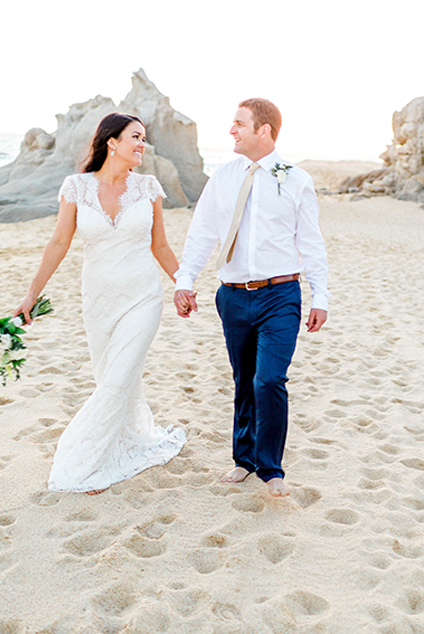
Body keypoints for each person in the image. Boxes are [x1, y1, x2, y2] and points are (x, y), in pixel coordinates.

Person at [14, 112, 187, 495]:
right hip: (98, 301)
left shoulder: (148, 187)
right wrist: (32, 294)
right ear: (112, 141)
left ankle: (84, 464)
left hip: (143, 297)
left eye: (144, 138)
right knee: (112, 377)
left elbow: (160, 245)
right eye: (136, 137)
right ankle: (119, 444)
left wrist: (184, 283)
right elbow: (59, 243)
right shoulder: (76, 187)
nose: (142, 144)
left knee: (116, 379)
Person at [173, 98, 330, 497]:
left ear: (264, 130)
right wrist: (184, 280)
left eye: (239, 124)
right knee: (244, 381)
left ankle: (270, 468)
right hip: (232, 297)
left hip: (281, 295)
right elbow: (203, 233)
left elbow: (310, 242)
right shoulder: (223, 178)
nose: (231, 131)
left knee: (269, 379)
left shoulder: (295, 179)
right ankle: (243, 460)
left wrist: (320, 295)